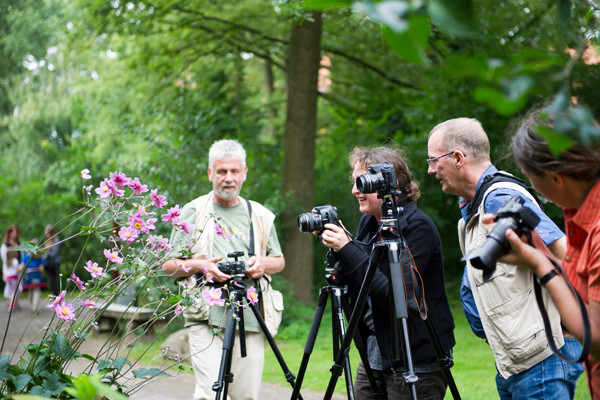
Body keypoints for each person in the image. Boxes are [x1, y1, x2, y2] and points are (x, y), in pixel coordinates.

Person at [427, 117, 584, 399]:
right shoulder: (476, 206)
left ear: (458, 158)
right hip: (517, 363)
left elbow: (567, 255)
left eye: (433, 160)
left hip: (543, 361)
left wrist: (572, 328)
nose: (430, 170)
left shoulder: (500, 198)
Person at [320, 145, 455, 399]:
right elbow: (358, 283)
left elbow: (396, 297)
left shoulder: (418, 227)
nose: (354, 190)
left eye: (361, 182)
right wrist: (339, 250)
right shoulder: (369, 222)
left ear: (385, 184)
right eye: (354, 182)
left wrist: (349, 249)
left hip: (416, 359)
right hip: (375, 352)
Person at [161, 139, 285, 400]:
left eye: (234, 171)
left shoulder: (260, 215)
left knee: (246, 396)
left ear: (244, 173)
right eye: (221, 171)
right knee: (211, 395)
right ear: (210, 173)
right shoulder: (194, 211)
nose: (228, 178)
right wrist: (203, 266)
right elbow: (169, 265)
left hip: (250, 315)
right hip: (205, 316)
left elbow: (279, 260)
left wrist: (261, 264)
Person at [497, 107, 600, 398]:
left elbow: (597, 339)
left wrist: (540, 265)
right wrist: (535, 248)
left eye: (533, 180)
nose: (534, 189)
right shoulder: (581, 216)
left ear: (556, 178)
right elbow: (583, 284)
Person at [20, 239, 46, 311]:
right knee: (36, 291)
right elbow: (42, 269)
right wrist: (42, 276)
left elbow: (23, 266)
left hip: (29, 274)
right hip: (37, 274)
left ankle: (31, 305)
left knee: (30, 290)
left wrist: (24, 274)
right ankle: (35, 307)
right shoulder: (40, 257)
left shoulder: (26, 256)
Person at [2, 225, 21, 310]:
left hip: (14, 273)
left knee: (13, 289)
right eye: (12, 232)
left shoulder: (20, 244)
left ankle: (13, 303)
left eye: (15, 232)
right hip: (11, 271)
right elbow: (5, 260)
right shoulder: (5, 246)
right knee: (13, 290)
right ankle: (12, 304)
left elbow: (21, 257)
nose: (14, 234)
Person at [43, 225, 61, 296]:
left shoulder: (56, 240)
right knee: (51, 282)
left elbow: (55, 253)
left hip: (54, 264)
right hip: (48, 264)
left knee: (53, 282)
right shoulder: (47, 241)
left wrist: (48, 252)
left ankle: (56, 298)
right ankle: (55, 297)